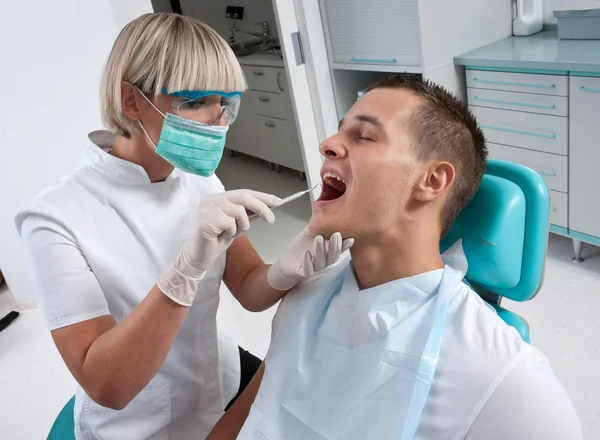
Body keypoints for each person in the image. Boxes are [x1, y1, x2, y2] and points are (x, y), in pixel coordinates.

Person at [15, 13, 349, 440]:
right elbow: (107, 386)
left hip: (218, 375)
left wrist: (287, 267)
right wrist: (183, 273)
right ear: (132, 101)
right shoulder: (53, 219)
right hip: (138, 422)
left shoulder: (199, 180)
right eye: (195, 102)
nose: (219, 120)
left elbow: (248, 285)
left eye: (226, 102)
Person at [208, 75, 582, 439]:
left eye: (365, 136)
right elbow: (252, 412)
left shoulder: (505, 379)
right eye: (339, 131)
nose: (327, 144)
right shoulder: (305, 296)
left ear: (432, 181)